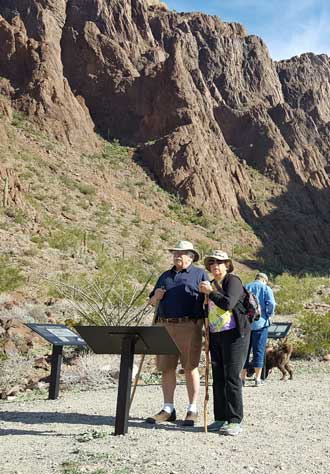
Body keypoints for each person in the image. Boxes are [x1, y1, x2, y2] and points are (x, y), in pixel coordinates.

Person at [146, 240, 209, 426]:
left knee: (190, 366)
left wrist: (207, 295)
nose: (176, 256)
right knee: (166, 367)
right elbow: (150, 302)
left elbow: (209, 298)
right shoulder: (165, 275)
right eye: (175, 253)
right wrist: (155, 297)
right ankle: (168, 409)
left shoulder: (199, 274)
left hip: (190, 325)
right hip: (164, 325)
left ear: (191, 256)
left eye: (180, 253)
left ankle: (192, 408)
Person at [199, 250, 250, 436]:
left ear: (227, 265)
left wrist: (210, 293)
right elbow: (206, 309)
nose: (215, 266)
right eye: (212, 263)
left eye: (219, 263)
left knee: (232, 377)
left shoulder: (232, 281)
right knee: (218, 377)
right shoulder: (211, 284)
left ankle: (235, 420)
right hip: (216, 335)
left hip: (235, 335)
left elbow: (228, 303)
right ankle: (220, 418)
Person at [241, 272, 276, 386]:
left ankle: (242, 378)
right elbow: (271, 304)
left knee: (244, 351)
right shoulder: (266, 288)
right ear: (265, 280)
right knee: (259, 350)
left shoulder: (246, 286)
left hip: (246, 324)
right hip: (261, 323)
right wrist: (268, 315)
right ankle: (257, 378)